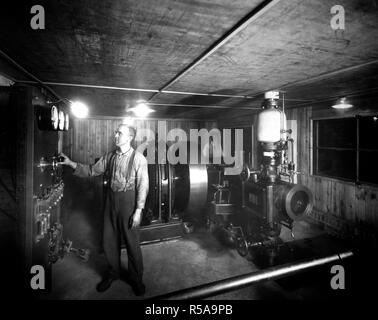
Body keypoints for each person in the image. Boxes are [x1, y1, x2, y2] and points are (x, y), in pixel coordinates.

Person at [59, 124, 149, 295]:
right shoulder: (110, 157)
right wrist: (71, 163)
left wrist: (138, 210)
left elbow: (143, 185)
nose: (115, 135)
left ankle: (136, 280)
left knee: (132, 244)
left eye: (119, 133)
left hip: (128, 203)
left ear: (129, 137)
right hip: (111, 201)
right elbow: (92, 170)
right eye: (116, 132)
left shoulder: (139, 159)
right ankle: (113, 273)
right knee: (109, 240)